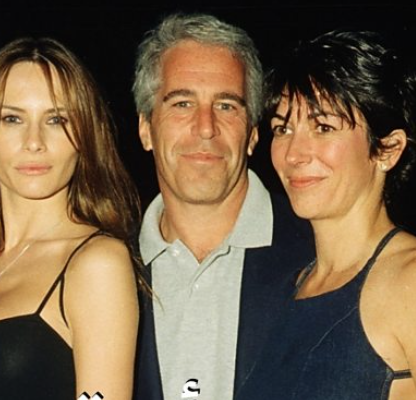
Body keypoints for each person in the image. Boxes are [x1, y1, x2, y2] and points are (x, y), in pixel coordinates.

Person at [0, 37, 140, 400]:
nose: (34, 141)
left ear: (85, 136)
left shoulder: (97, 263)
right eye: (12, 119)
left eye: (56, 120)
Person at [132, 13, 315, 400]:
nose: (205, 127)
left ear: (252, 134)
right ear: (146, 128)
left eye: (227, 106)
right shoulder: (107, 267)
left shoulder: (322, 252)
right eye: (182, 103)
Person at [235, 30, 416, 400]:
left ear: (387, 149)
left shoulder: (408, 281)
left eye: (323, 127)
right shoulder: (288, 286)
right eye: (283, 128)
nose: (293, 153)